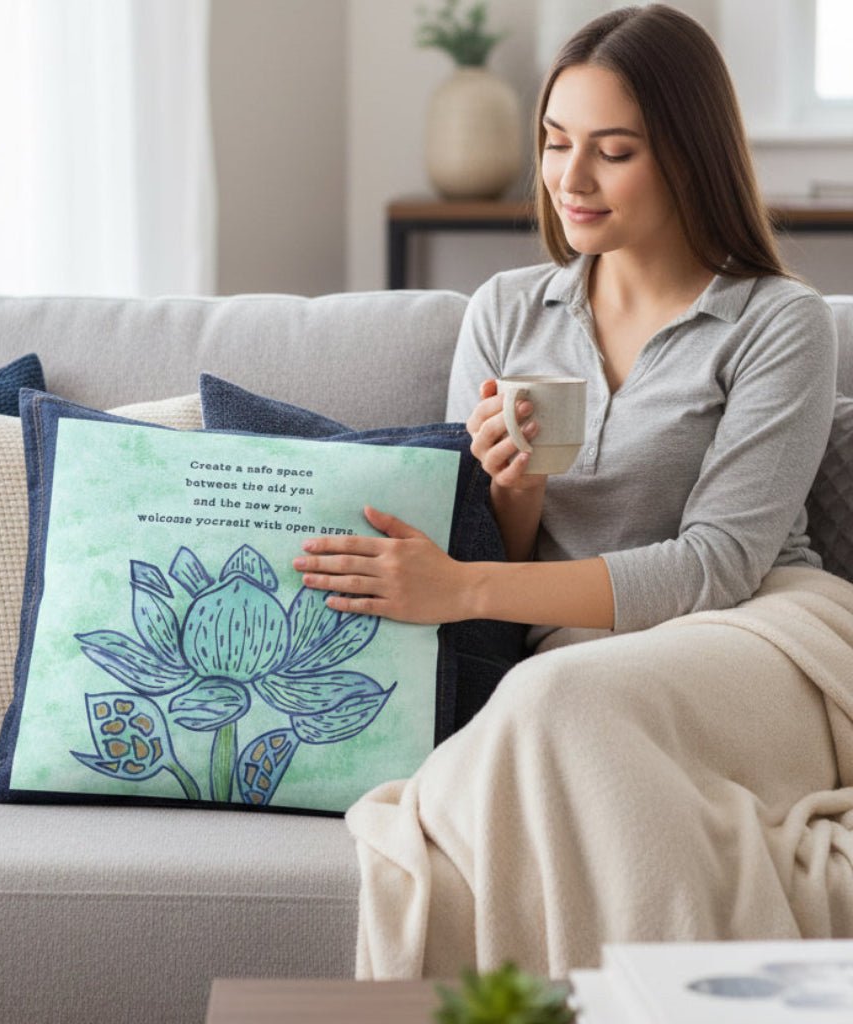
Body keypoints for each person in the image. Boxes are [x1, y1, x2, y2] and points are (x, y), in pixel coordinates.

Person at [290, 3, 853, 983]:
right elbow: (510, 557)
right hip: (575, 655)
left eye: (612, 150)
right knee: (557, 697)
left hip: (759, 633)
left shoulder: (778, 322)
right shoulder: (505, 311)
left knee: (551, 701)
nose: (569, 179)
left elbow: (715, 565)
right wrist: (513, 497)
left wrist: (460, 587)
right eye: (555, 143)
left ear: (687, 155)